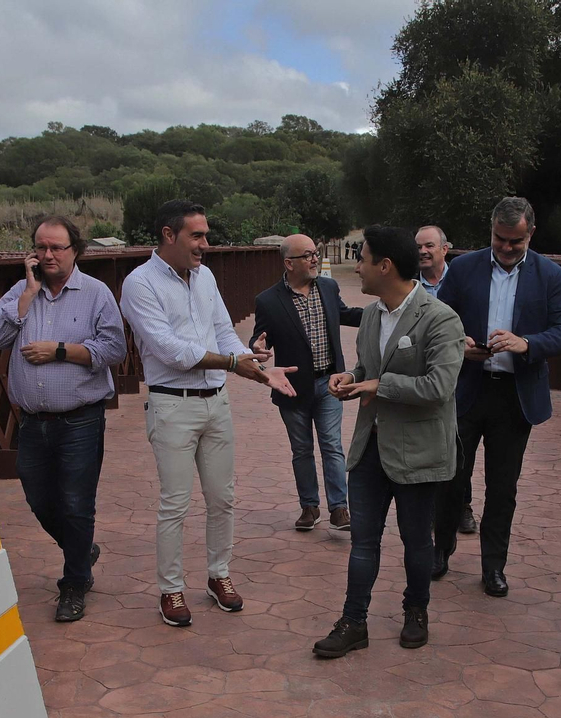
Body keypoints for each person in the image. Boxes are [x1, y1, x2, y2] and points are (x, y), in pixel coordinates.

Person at [119, 199, 298, 627]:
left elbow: (222, 331)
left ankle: (219, 575)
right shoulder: (139, 284)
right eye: (196, 236)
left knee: (223, 497)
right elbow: (170, 350)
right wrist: (234, 363)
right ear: (169, 235)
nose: (205, 244)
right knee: (175, 503)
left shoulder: (206, 276)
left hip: (216, 402)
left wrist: (252, 363)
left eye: (206, 235)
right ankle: (171, 589)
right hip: (172, 405)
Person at [313, 226, 465, 658]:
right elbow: (368, 367)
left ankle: (416, 612)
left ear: (385, 266)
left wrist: (378, 386)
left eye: (362, 260)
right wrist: (351, 378)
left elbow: (439, 387)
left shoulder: (440, 318)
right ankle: (353, 622)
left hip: (418, 452)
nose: (357, 268)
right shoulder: (373, 315)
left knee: (417, 541)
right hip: (371, 448)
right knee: (363, 541)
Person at [0, 215, 127, 622]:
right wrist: (27, 296)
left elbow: (114, 349)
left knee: (77, 504)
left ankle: (74, 584)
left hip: (80, 419)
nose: (47, 255)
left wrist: (60, 350)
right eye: (40, 247)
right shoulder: (21, 291)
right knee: (38, 497)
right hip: (32, 420)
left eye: (56, 248)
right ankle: (81, 550)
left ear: (74, 251)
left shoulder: (96, 293)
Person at [432, 196, 561, 597]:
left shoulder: (551, 275)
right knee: (450, 478)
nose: (507, 248)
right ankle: (439, 550)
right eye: (500, 239)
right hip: (466, 390)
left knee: (502, 488)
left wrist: (526, 343)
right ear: (491, 230)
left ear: (531, 234)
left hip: (515, 397)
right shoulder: (463, 268)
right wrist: (459, 344)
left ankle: (493, 566)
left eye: (516, 241)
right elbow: (437, 322)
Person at [248, 233, 363, 532]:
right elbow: (260, 338)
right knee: (301, 450)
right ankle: (309, 507)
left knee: (332, 446)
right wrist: (257, 347)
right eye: (308, 255)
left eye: (315, 253)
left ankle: (339, 509)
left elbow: (344, 314)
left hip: (329, 383)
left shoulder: (328, 287)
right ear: (289, 263)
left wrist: (382, 311)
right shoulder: (268, 300)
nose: (314, 259)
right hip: (292, 388)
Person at [416, 224, 479, 537]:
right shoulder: (409, 285)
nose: (423, 252)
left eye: (429, 246)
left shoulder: (466, 280)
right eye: (418, 247)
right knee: (426, 443)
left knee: (458, 443)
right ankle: (430, 509)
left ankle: (462, 505)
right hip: (423, 374)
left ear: (445, 248)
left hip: (462, 375)